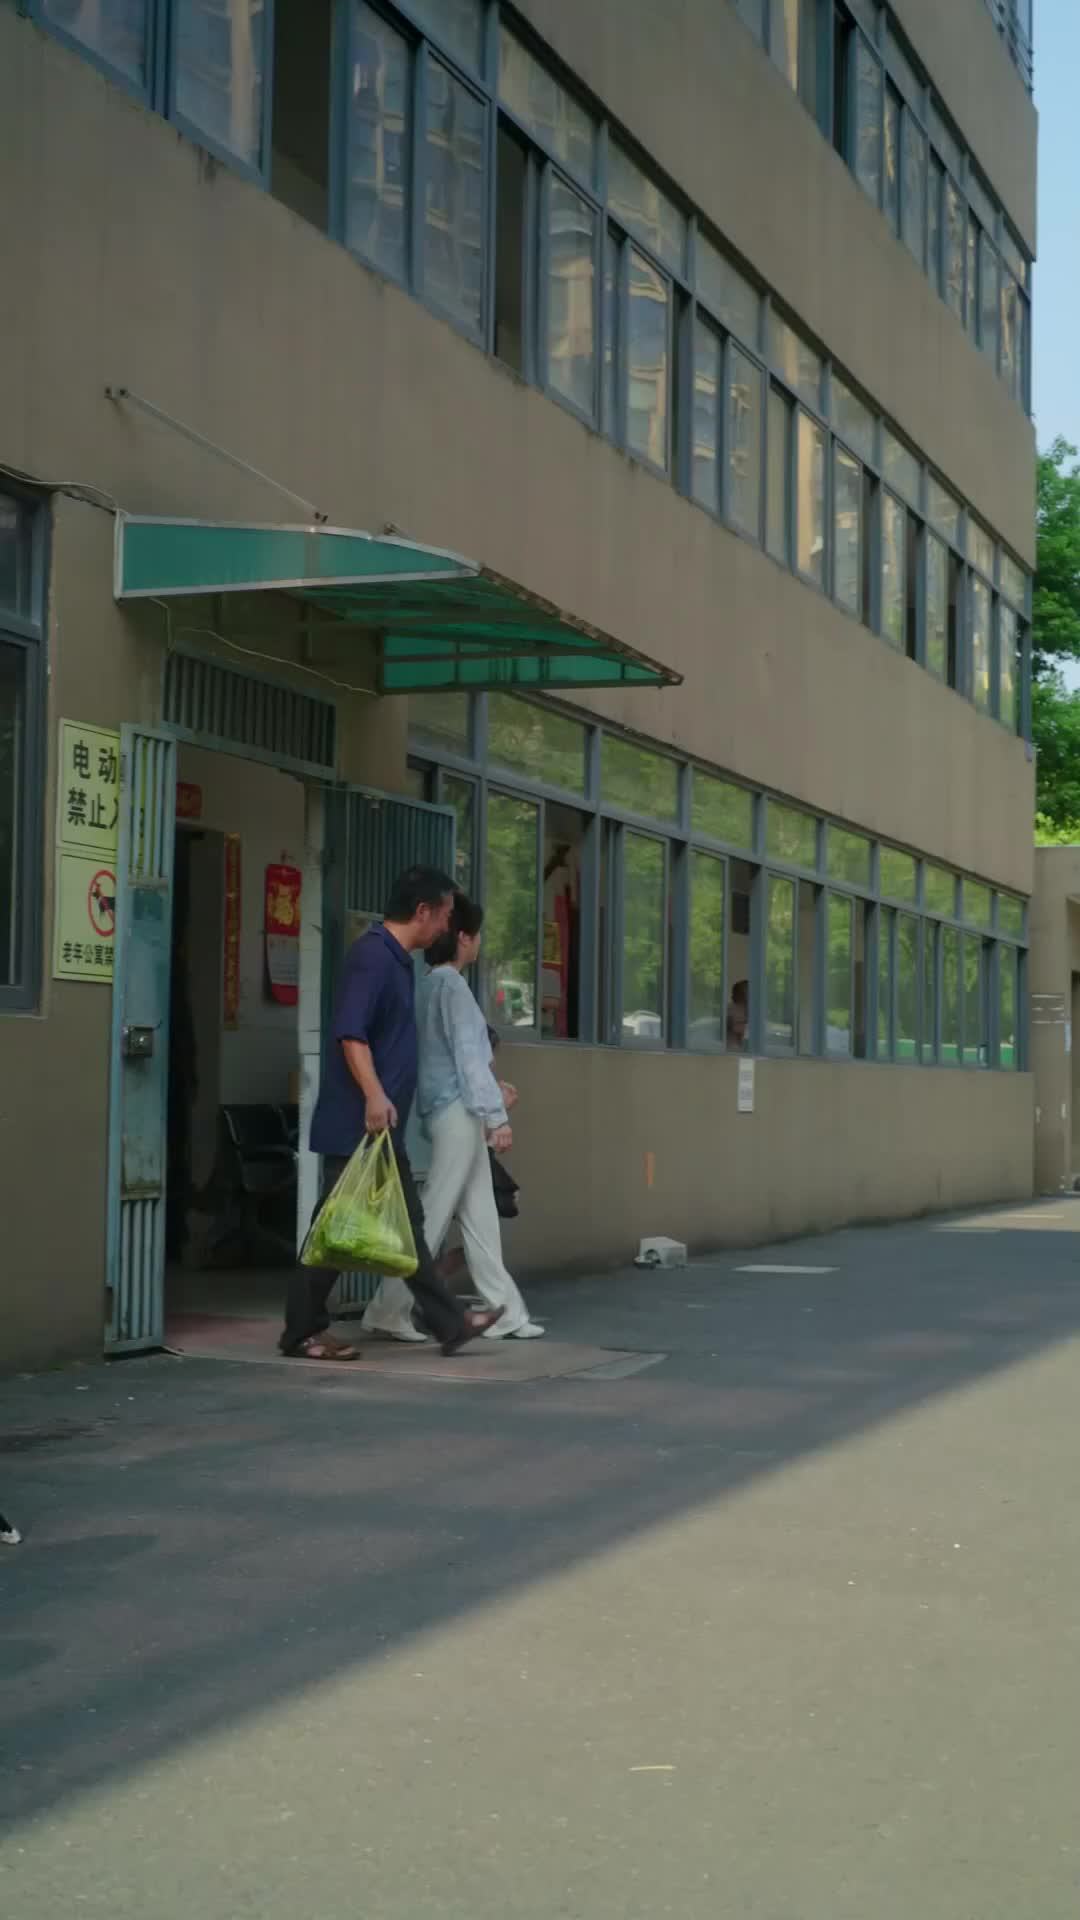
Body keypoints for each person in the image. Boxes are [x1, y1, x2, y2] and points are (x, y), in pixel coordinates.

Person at [279, 866, 505, 1361]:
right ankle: (301, 1332)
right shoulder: (373, 957)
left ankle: (449, 1323)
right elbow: (351, 1034)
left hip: (381, 1126)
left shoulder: (399, 961)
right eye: (444, 915)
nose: (446, 926)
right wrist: (375, 1095)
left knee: (404, 1225)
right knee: (334, 1231)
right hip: (360, 1121)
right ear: (422, 912)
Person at [363, 895, 544, 1341]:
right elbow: (468, 1059)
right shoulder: (454, 989)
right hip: (458, 1114)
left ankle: (506, 1312)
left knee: (480, 1217)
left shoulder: (425, 985)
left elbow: (450, 1060)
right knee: (433, 1213)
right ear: (464, 937)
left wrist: (490, 1100)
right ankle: (387, 1307)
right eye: (477, 934)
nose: (479, 942)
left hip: (443, 1109)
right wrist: (496, 1116)